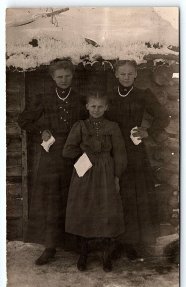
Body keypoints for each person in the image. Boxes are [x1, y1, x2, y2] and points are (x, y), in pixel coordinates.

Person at [18, 60, 86, 265]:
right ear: (53, 78)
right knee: (51, 200)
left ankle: (76, 244)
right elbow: (23, 120)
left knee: (75, 197)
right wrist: (41, 131)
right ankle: (50, 246)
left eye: (67, 76)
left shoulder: (80, 99)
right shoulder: (44, 99)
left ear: (72, 76)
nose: (64, 80)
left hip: (75, 155)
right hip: (52, 156)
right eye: (59, 77)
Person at [107, 60, 170, 260]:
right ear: (116, 74)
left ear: (136, 75)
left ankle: (132, 242)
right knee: (114, 193)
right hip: (111, 149)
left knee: (133, 194)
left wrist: (147, 131)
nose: (126, 77)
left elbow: (163, 116)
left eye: (130, 73)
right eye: (122, 73)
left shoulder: (143, 94)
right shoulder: (109, 95)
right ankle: (113, 242)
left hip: (134, 150)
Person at [63, 91, 127, 272]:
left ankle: (106, 256)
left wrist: (117, 176)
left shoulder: (113, 127)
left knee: (107, 209)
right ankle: (83, 254)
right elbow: (67, 150)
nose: (96, 110)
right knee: (85, 209)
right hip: (85, 172)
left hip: (106, 172)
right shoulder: (80, 126)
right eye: (93, 106)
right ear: (87, 107)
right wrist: (84, 157)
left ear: (106, 107)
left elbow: (121, 154)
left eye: (100, 106)